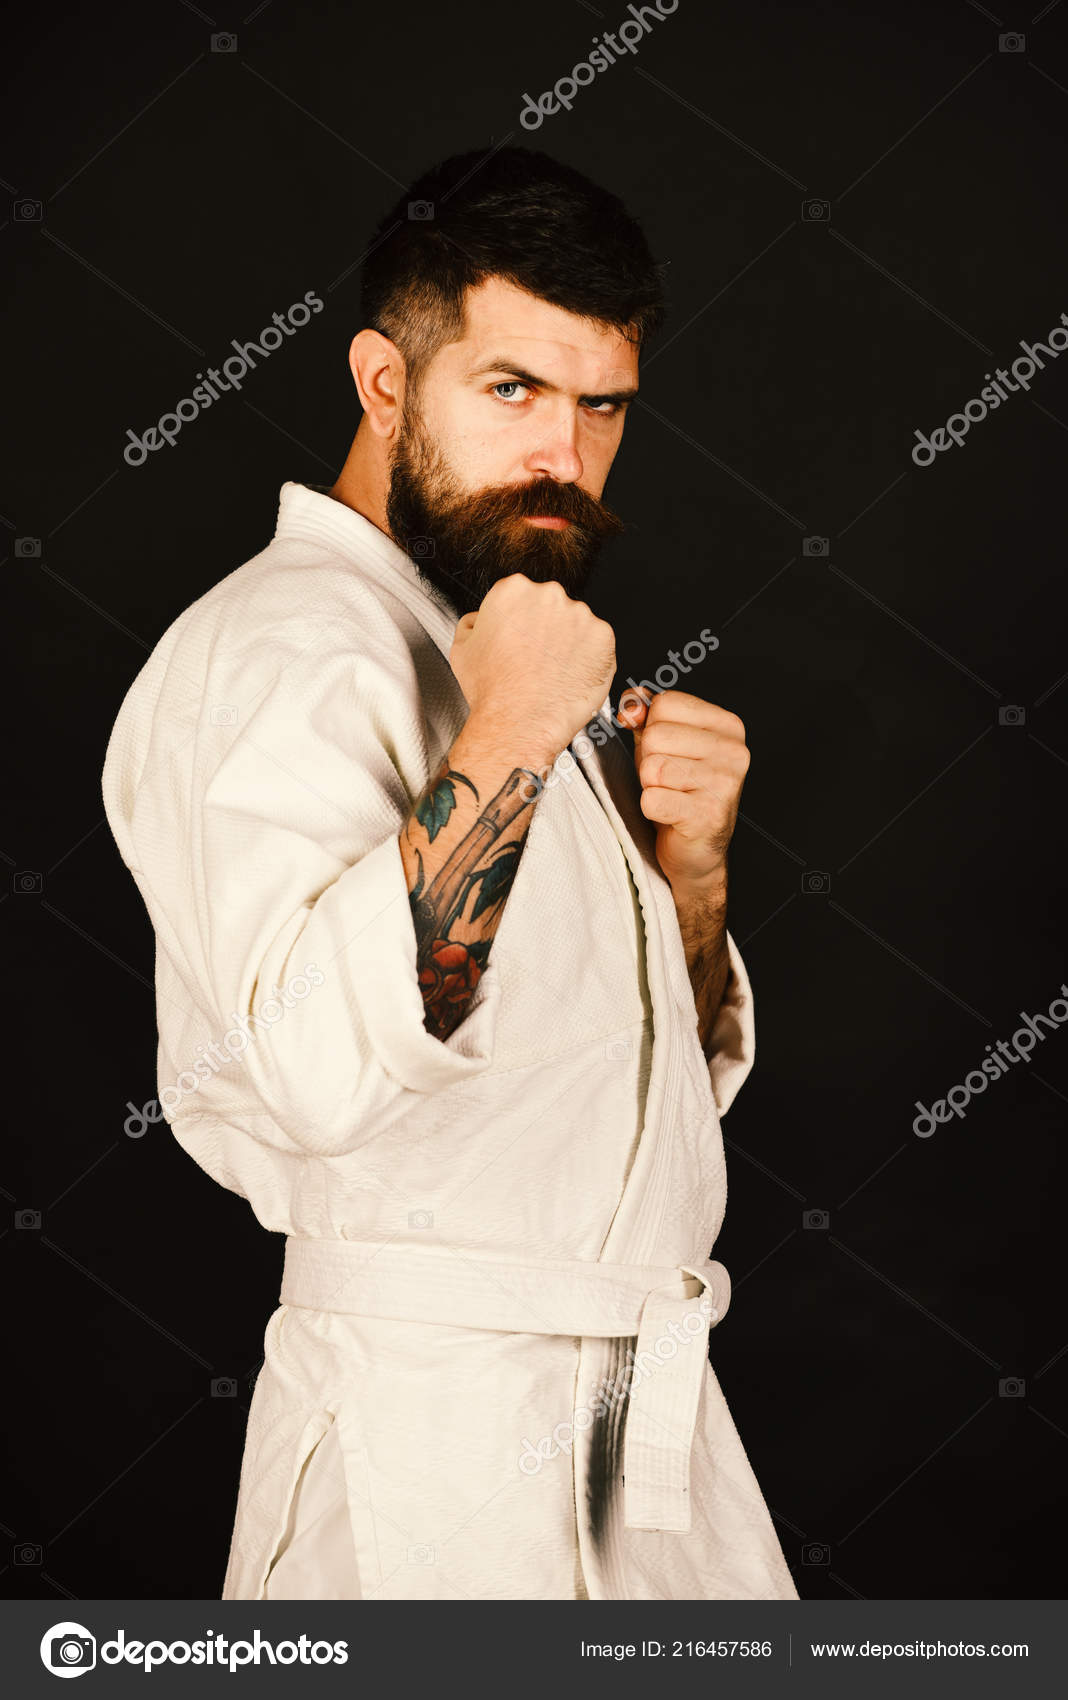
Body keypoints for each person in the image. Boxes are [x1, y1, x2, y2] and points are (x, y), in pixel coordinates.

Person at [101, 145, 798, 1601]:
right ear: (383, 381)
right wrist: (518, 728)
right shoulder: (279, 648)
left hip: (643, 1427)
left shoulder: (487, 639)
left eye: (601, 406)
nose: (565, 454)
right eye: (511, 391)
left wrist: (698, 869)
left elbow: (623, 1085)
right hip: (427, 1459)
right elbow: (311, 1071)